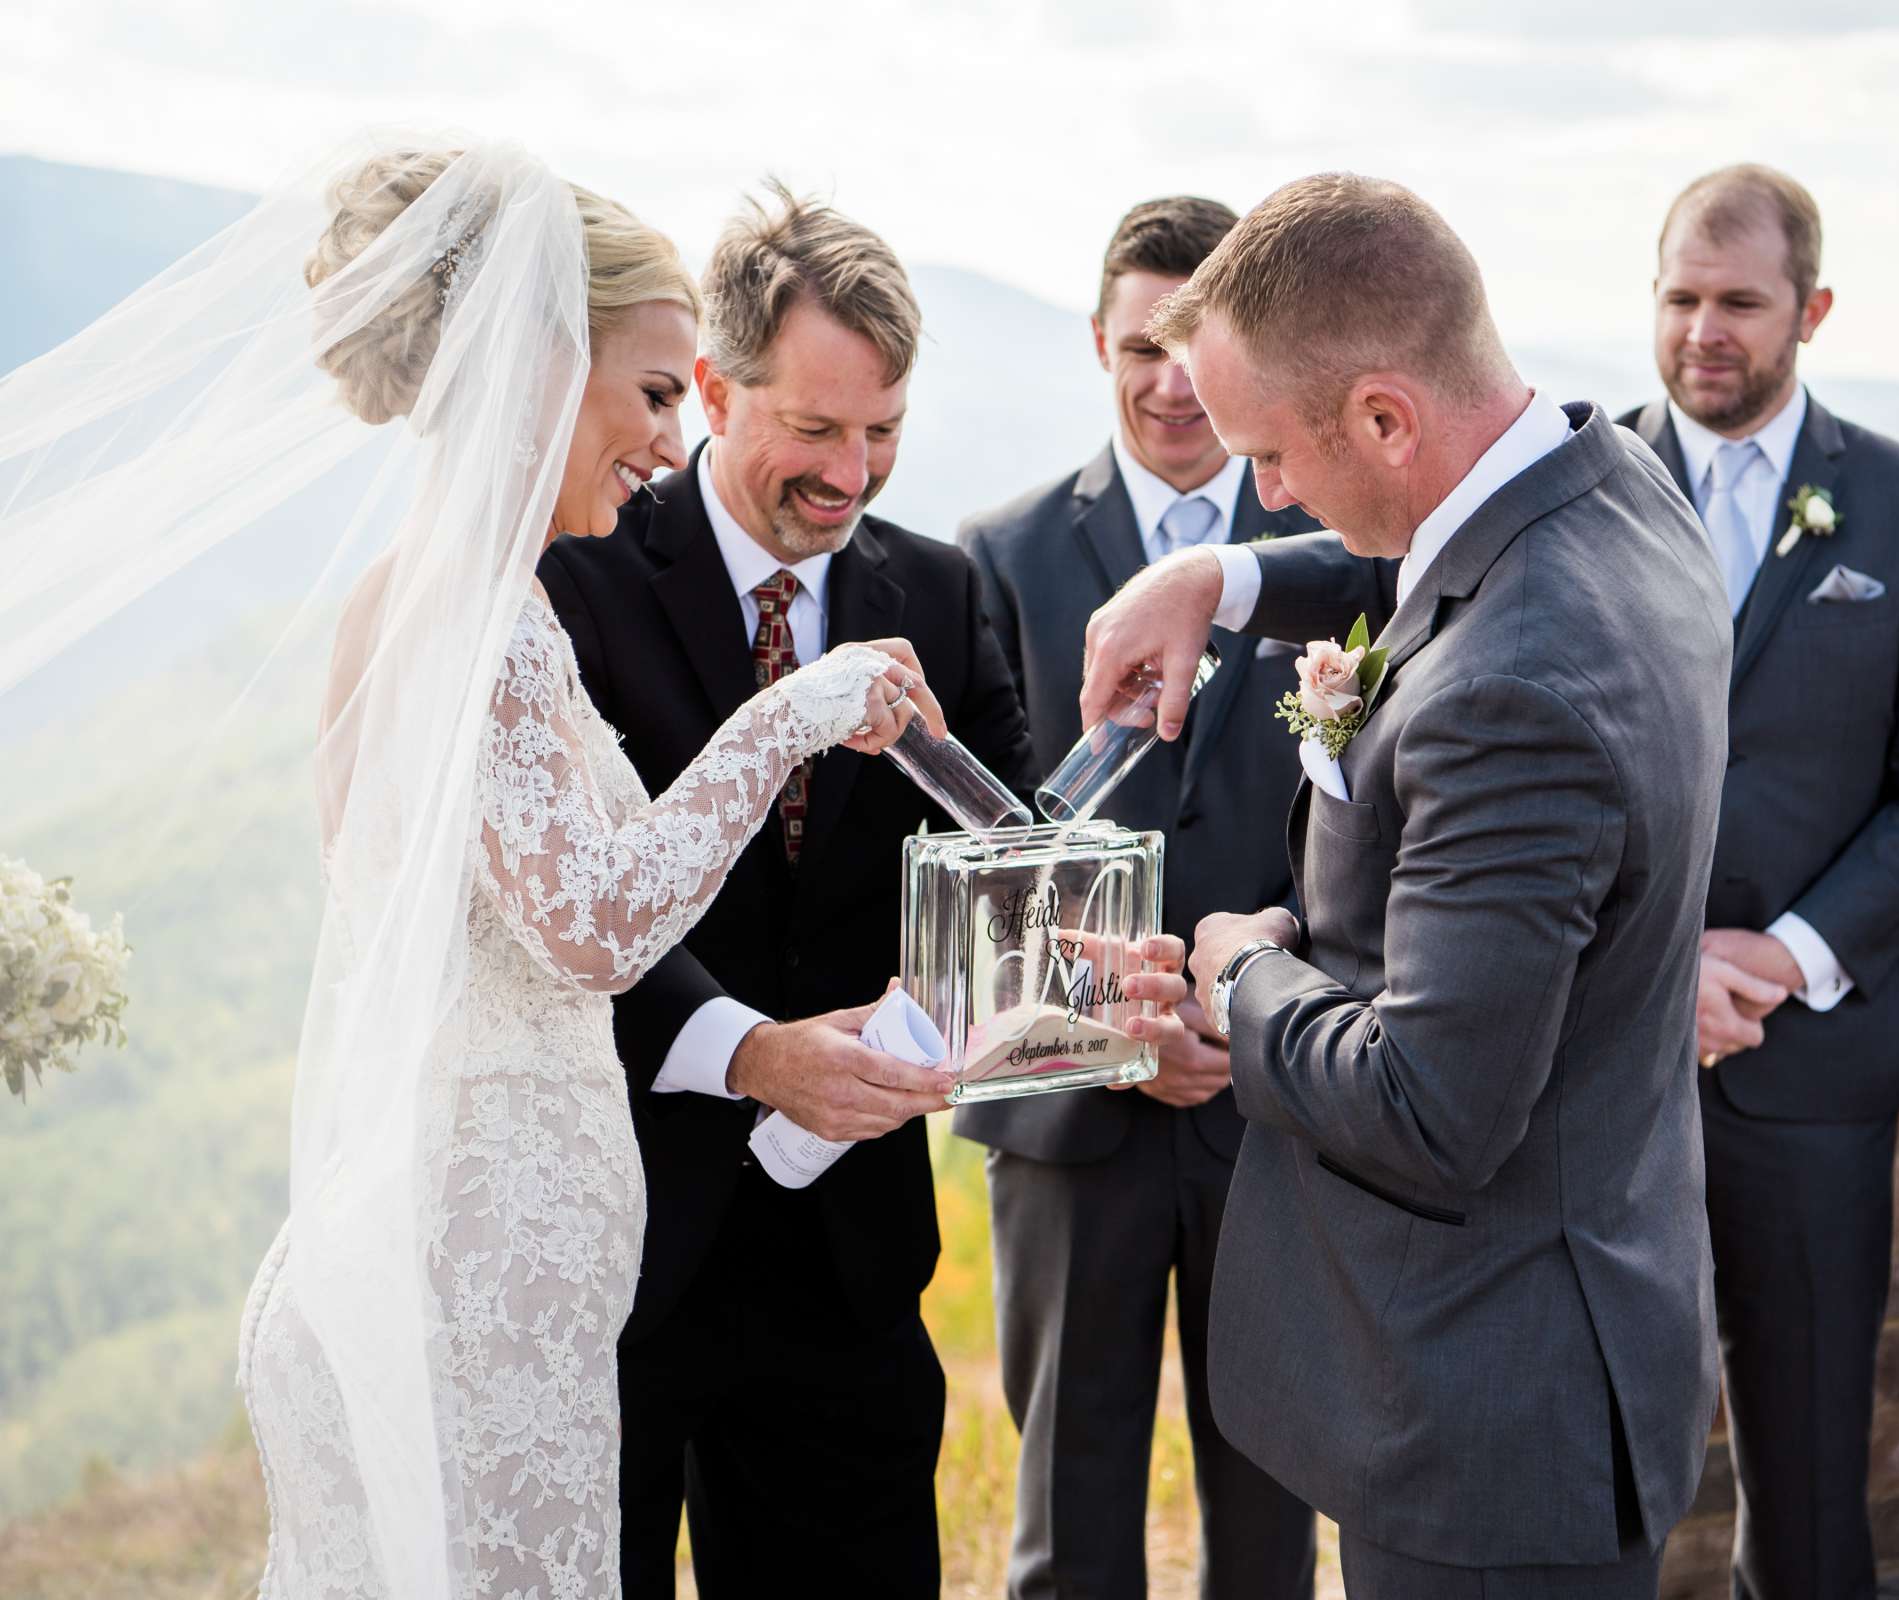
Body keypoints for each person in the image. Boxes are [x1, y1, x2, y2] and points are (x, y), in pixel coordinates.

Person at [230, 144, 949, 1598]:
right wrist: (790, 717)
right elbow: (598, 926)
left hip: (482, 1256)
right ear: (543, 361)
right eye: (657, 390)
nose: (669, 438)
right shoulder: (472, 623)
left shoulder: (440, 600)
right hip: (479, 1275)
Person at [1080, 172, 1729, 1600]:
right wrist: (1230, 585)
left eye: (1271, 455)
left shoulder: (1517, 698)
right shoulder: (1622, 486)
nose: (1260, 492)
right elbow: (1443, 552)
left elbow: (1432, 1112)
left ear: (1384, 413)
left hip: (1488, 1422)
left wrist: (1240, 970)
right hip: (1576, 1329)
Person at [535, 184, 1036, 1599]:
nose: (852, 473)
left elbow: (1009, 855)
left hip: (850, 1258)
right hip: (624, 1238)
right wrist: (755, 1055)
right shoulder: (576, 578)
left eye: (882, 432)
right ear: (710, 387)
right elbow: (562, 903)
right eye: (814, 431)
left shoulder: (939, 593)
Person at [1617, 165, 1899, 1600]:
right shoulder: (1581, 485)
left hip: (1812, 1056)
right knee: (1594, 1455)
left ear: (1812, 310)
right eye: (1678, 298)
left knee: (1810, 1461)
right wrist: (1661, 969)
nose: (1703, 331)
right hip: (1604, 1057)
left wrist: (1783, 955)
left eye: (1738, 302)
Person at [954, 196, 1320, 1600]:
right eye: (1139, 345)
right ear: (1094, 343)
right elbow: (976, 830)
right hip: (1063, 1098)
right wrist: (1122, 1019)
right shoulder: (1000, 553)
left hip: (1274, 1083)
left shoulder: (1326, 554)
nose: (1171, 382)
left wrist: (1241, 1001)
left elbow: (1371, 817)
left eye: (1194, 344)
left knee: (1275, 1492)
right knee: (1068, 1498)